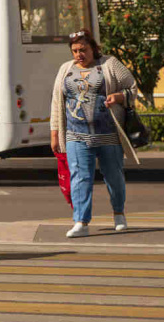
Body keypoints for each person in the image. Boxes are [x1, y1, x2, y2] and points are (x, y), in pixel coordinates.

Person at [50, 29, 139, 238]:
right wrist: (54, 132)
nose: (79, 54)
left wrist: (118, 97)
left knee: (114, 177)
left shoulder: (109, 64)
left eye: (83, 49)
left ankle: (119, 213)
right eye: (75, 51)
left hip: (108, 134)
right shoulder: (66, 69)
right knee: (80, 178)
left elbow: (132, 87)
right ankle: (81, 221)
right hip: (76, 134)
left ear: (93, 48)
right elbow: (56, 102)